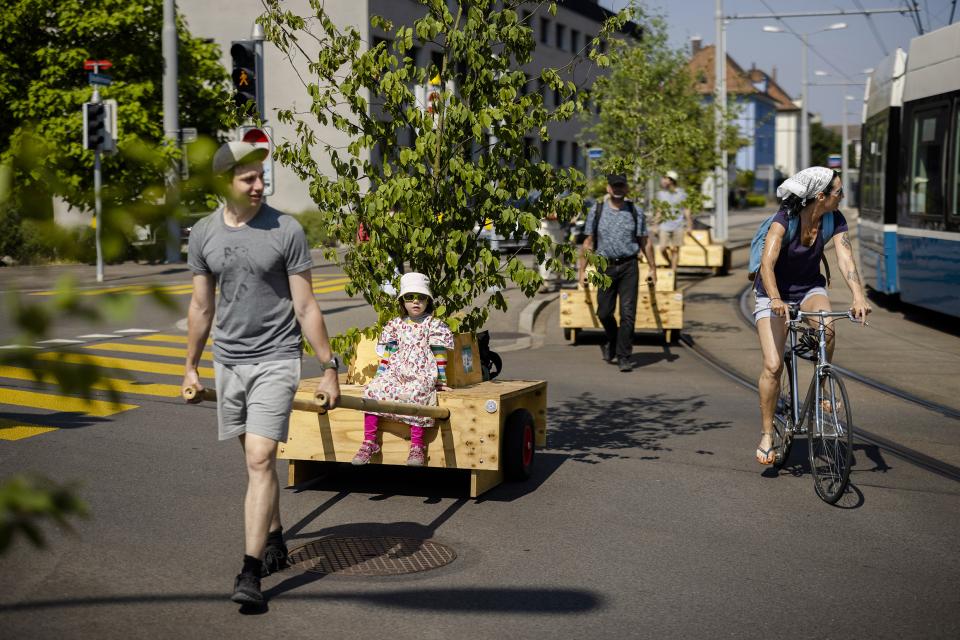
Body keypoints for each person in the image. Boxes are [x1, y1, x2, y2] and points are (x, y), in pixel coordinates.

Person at [182, 140, 341, 605]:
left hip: (276, 357)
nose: (259, 185)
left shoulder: (285, 230)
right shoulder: (204, 234)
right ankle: (273, 536)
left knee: (259, 457)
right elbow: (200, 305)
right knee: (258, 463)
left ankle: (249, 574)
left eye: (260, 177)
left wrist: (328, 367)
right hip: (229, 360)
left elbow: (306, 304)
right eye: (247, 178)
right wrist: (189, 366)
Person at [754, 166, 870, 465]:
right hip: (773, 292)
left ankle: (819, 392)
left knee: (828, 328)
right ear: (820, 196)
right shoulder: (785, 219)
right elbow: (767, 264)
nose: (842, 196)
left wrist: (859, 296)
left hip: (808, 288)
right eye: (838, 192)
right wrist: (777, 298)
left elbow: (845, 259)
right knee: (773, 364)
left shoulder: (834, 218)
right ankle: (767, 435)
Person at [352, 272, 455, 466]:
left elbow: (440, 354)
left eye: (421, 297)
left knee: (419, 393)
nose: (415, 301)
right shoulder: (395, 325)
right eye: (409, 297)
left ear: (428, 301)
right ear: (402, 301)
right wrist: (380, 376)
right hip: (396, 372)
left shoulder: (433, 325)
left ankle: (417, 446)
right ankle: (369, 441)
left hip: (421, 373)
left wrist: (441, 381)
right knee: (373, 390)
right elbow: (388, 353)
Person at [578, 174, 658, 372]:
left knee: (628, 313)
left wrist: (653, 267)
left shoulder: (635, 211)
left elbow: (645, 241)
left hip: (630, 265)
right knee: (603, 312)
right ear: (608, 189)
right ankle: (613, 340)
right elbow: (588, 242)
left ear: (627, 188)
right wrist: (582, 271)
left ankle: (624, 356)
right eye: (615, 186)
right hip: (604, 267)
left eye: (622, 185)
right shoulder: (596, 210)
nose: (618, 189)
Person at [654, 170, 691, 270]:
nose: (662, 180)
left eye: (665, 178)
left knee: (675, 250)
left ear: (671, 180)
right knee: (662, 248)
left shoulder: (681, 193)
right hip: (664, 226)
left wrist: (689, 225)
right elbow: (659, 210)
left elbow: (686, 209)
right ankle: (670, 263)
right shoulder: (660, 194)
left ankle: (673, 271)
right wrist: (655, 226)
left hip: (678, 225)